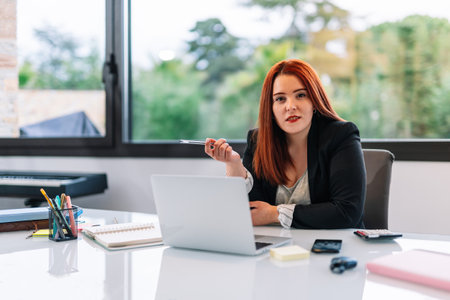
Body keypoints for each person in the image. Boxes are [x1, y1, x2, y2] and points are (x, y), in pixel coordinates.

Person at [205, 59, 366, 229]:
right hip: (277, 247)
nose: (291, 106)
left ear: (314, 101)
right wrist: (233, 163)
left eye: (301, 95)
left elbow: (348, 212)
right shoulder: (258, 140)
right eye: (280, 99)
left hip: (335, 247)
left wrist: (274, 213)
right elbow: (249, 210)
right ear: (271, 108)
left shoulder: (341, 135)